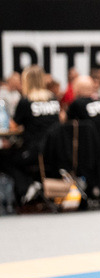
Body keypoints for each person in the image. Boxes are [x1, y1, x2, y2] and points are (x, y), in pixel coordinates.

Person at [8, 65, 62, 203]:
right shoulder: (53, 99)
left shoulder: (26, 101)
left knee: (9, 160)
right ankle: (36, 183)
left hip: (35, 151)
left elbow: (13, 126)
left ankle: (25, 189)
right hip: (55, 151)